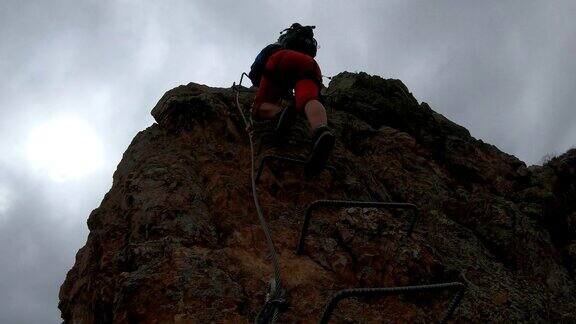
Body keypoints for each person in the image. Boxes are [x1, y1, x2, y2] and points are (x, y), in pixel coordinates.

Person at [250, 23, 335, 176]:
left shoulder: (274, 47)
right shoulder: (308, 55)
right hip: (311, 65)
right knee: (308, 99)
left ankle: (280, 113)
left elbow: (256, 69)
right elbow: (317, 96)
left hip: (281, 59)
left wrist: (259, 83)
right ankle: (321, 130)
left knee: (257, 108)